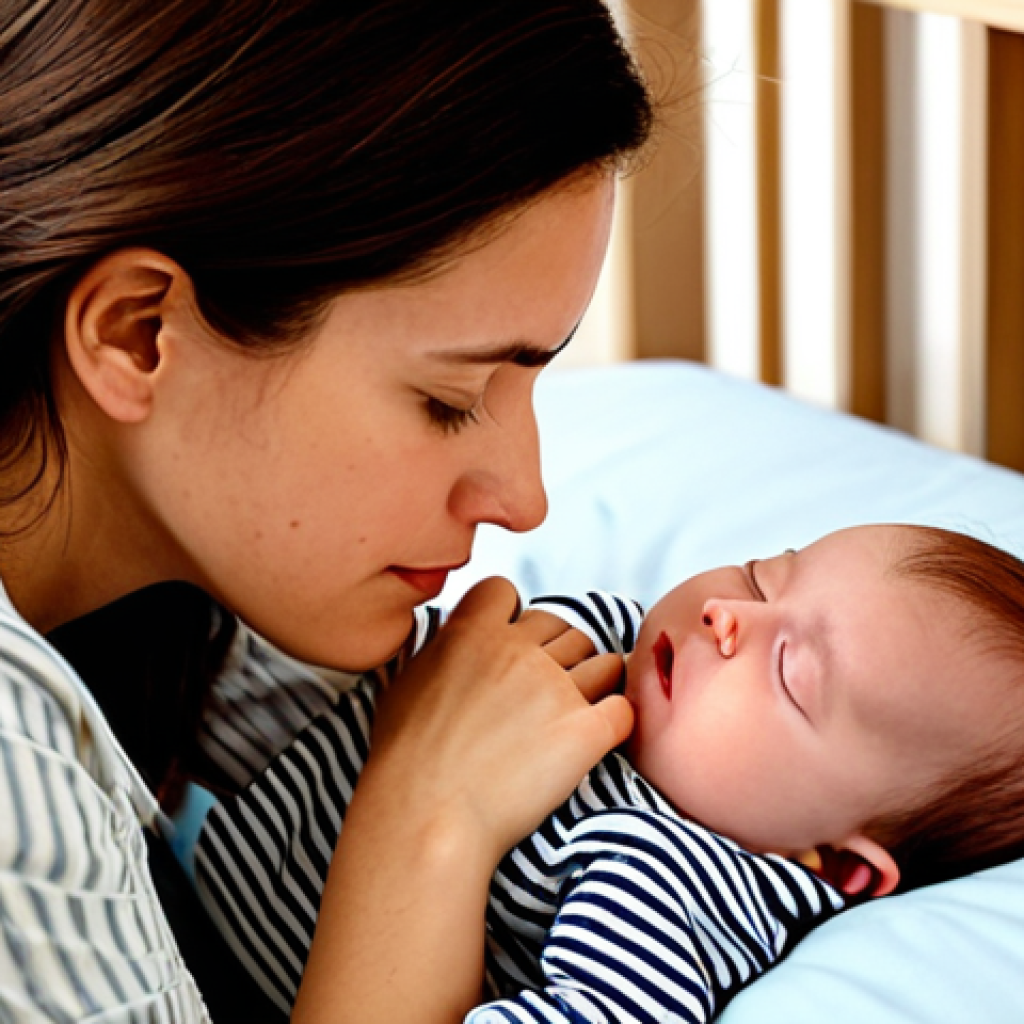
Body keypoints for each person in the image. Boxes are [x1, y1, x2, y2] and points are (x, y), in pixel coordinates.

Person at [0, 2, 656, 1021]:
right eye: (447, 401)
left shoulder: (192, 596)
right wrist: (426, 822)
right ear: (138, 334)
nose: (524, 500)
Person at [195, 523, 1024, 1023]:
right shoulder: (618, 643)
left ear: (836, 863)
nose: (726, 614)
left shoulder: (675, 884)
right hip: (202, 825)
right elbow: (367, 695)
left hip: (246, 989)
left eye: (790, 674)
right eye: (762, 575)